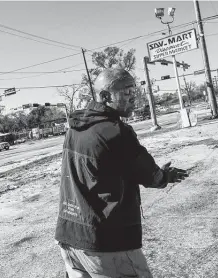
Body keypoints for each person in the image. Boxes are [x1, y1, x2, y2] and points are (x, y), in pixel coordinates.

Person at [55, 68, 188, 278]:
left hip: (69, 236)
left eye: (134, 91)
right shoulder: (117, 132)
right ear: (106, 96)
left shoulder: (74, 129)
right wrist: (165, 176)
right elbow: (149, 174)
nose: (133, 98)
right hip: (106, 243)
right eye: (127, 93)